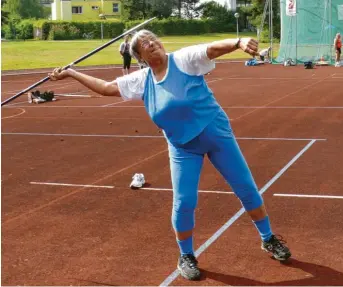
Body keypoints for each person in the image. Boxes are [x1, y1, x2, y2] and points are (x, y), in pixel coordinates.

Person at [48, 30, 291, 281]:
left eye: (152, 39)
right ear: (140, 56)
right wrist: (71, 73)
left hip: (216, 134)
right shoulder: (142, 80)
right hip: (182, 147)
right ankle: (186, 255)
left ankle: (268, 239)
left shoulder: (182, 60)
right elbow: (108, 88)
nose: (152, 44)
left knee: (246, 188)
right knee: (184, 202)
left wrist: (238, 42)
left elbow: (210, 49)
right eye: (144, 44)